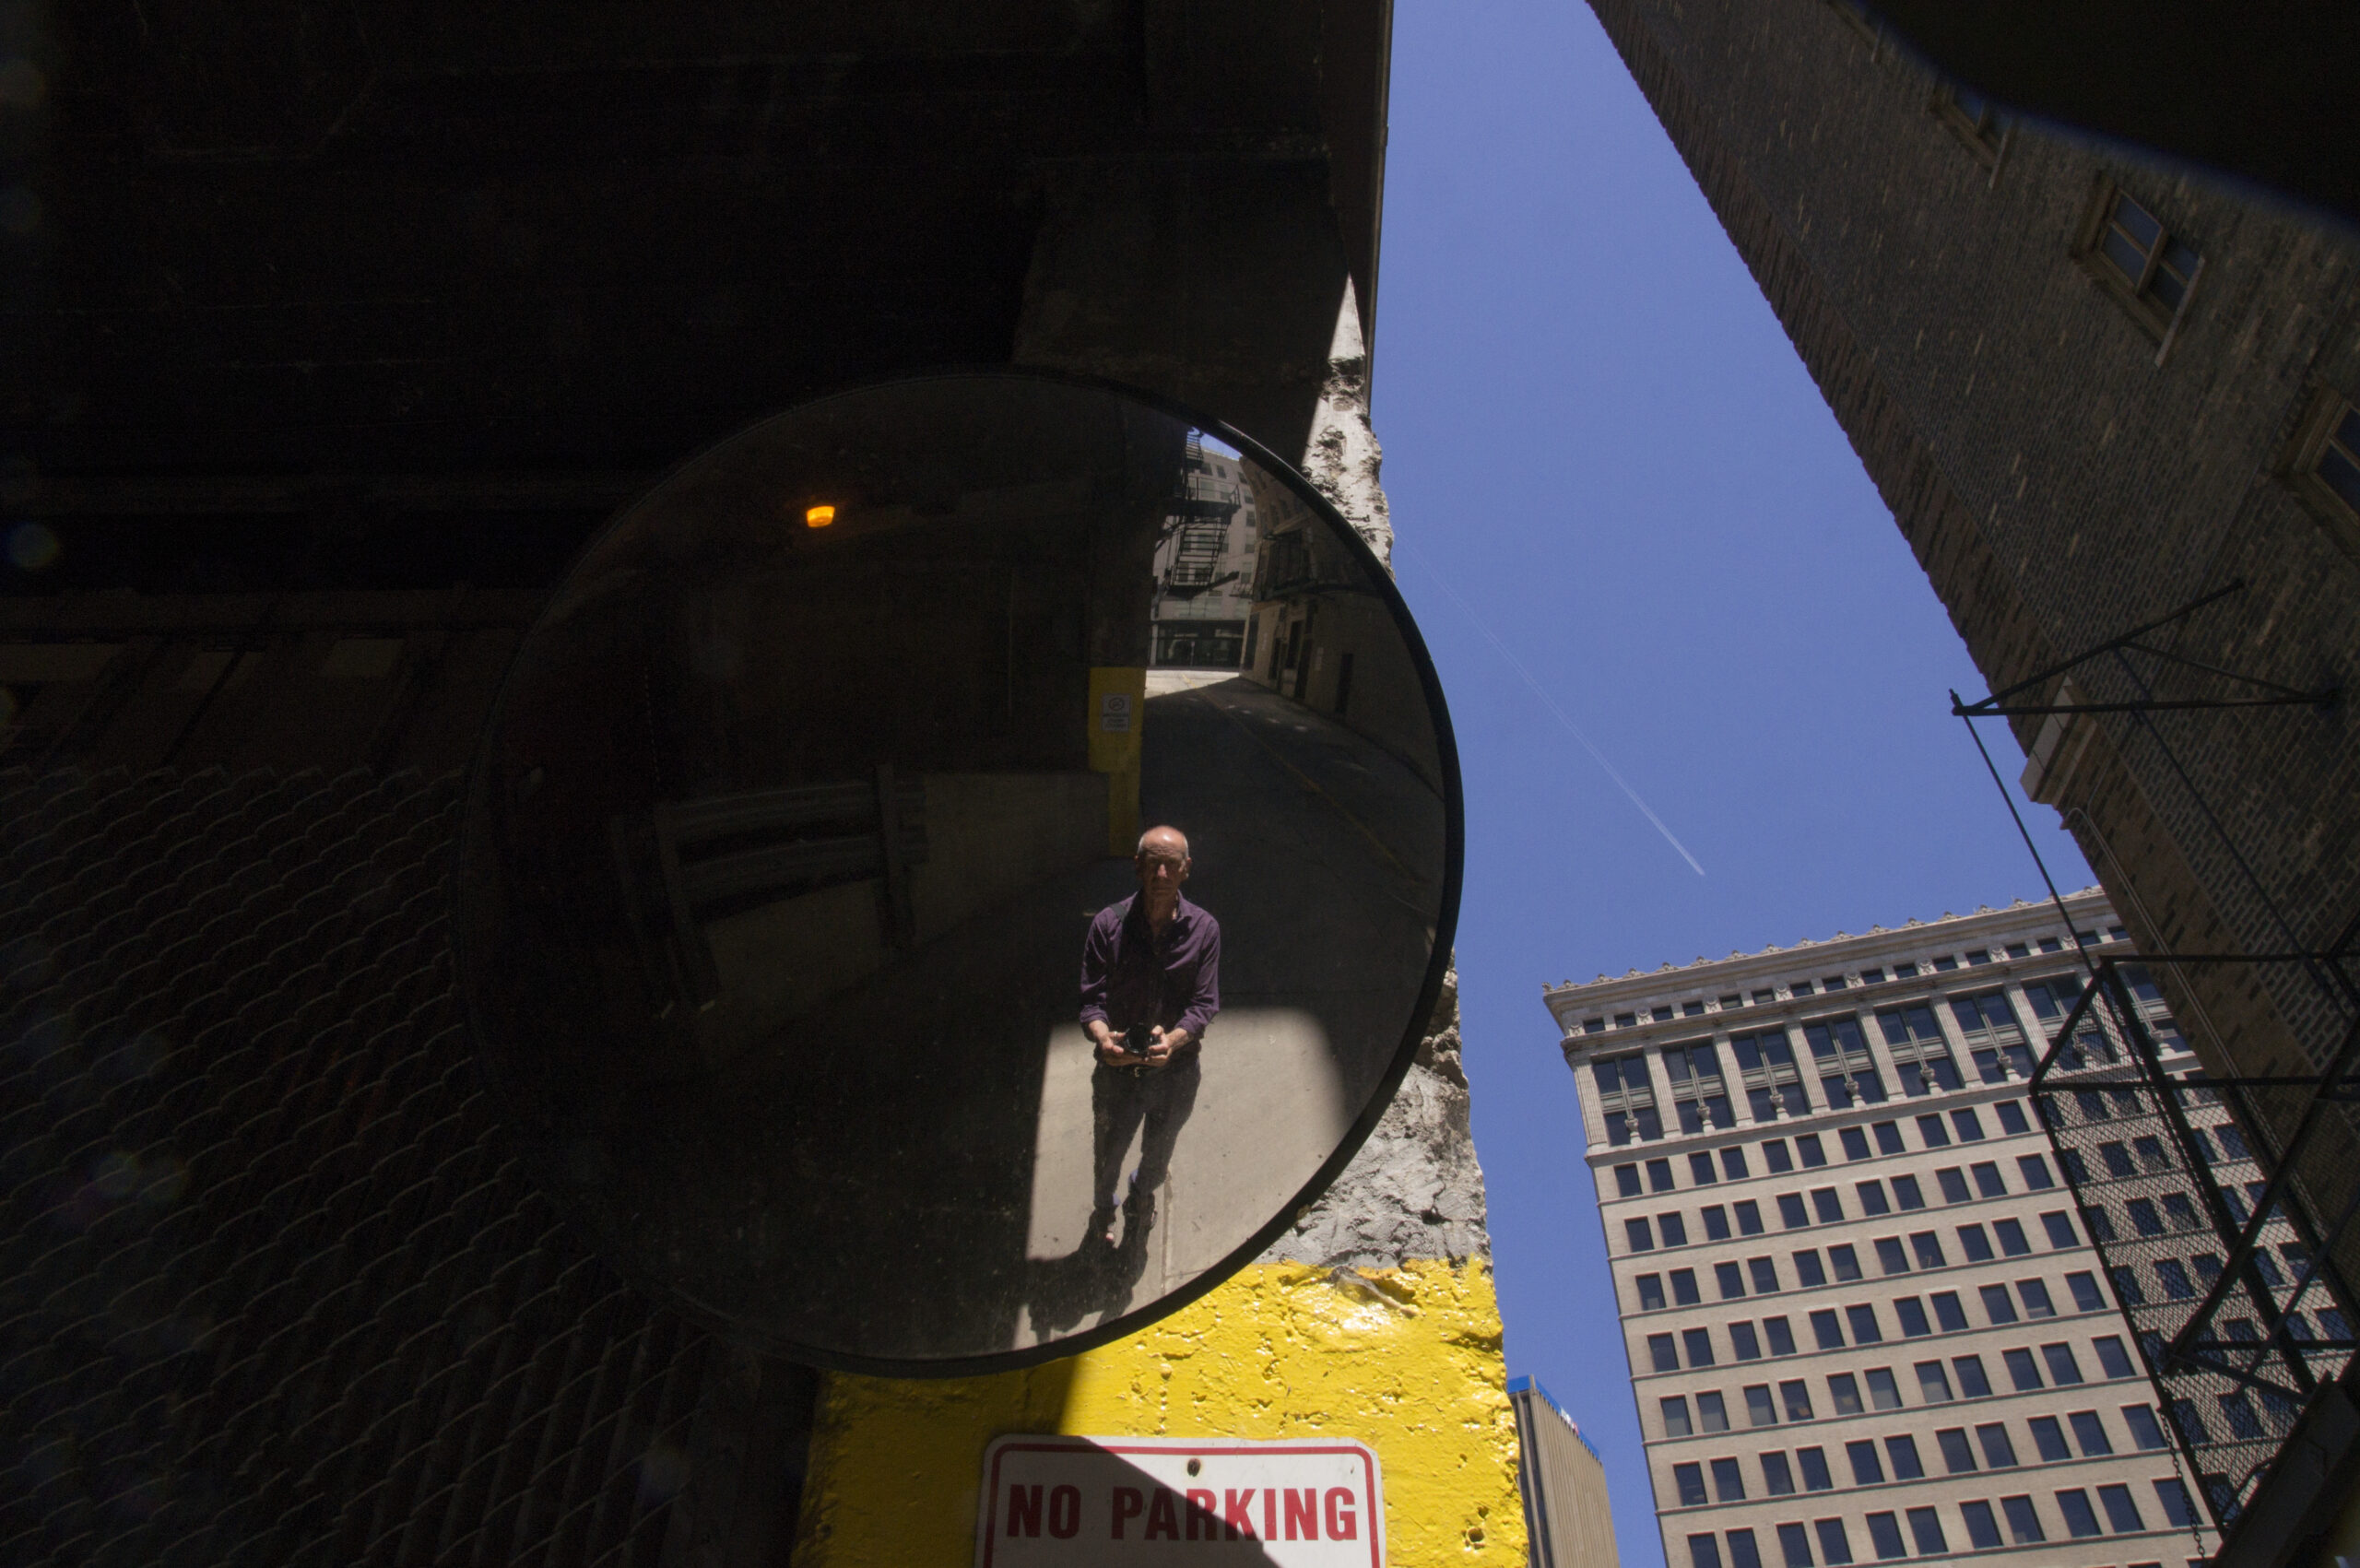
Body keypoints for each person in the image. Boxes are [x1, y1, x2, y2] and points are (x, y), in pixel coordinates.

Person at [1078, 824, 1221, 1249]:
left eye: (1171, 865)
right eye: (1153, 864)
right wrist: (1105, 1040)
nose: (1162, 875)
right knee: (1108, 1156)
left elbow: (1204, 1004)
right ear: (1137, 867)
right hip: (1117, 1073)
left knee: (1157, 1159)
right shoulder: (1107, 925)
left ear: (1186, 870)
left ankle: (1141, 1199)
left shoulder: (1205, 929)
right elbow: (1091, 1002)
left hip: (1176, 1073)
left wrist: (1172, 1041)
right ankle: (1103, 1212)